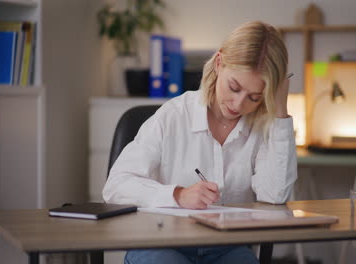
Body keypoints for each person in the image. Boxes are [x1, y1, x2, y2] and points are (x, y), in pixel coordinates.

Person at [103, 20, 298, 264]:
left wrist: (280, 110)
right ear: (219, 63)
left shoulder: (263, 125)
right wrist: (178, 195)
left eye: (254, 97)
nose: (239, 105)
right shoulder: (173, 115)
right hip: (163, 243)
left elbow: (276, 195)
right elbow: (116, 185)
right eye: (234, 87)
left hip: (227, 248)